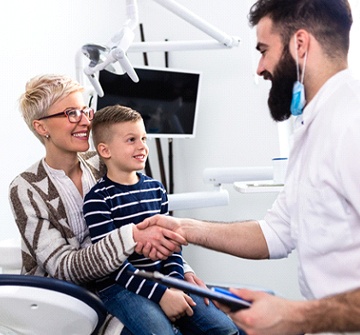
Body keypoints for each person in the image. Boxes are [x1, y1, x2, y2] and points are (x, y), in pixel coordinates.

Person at [137, 0, 360, 334]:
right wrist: (185, 228)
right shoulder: (312, 129)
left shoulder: (351, 125)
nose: (259, 67)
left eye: (264, 50)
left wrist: (299, 317)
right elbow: (275, 233)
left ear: (299, 44)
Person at [8, 74, 203, 335]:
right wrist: (132, 236)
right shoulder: (26, 188)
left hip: (125, 281)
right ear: (42, 128)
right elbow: (65, 268)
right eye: (71, 113)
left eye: (85, 110)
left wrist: (182, 273)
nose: (86, 121)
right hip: (64, 299)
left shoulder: (102, 160)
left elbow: (148, 214)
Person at [83, 104, 240, 335]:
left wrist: (176, 285)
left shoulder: (156, 189)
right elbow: (113, 266)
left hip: (165, 278)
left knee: (225, 329)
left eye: (144, 138)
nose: (142, 146)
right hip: (120, 286)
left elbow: (173, 246)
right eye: (131, 140)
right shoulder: (97, 199)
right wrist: (161, 294)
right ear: (105, 151)